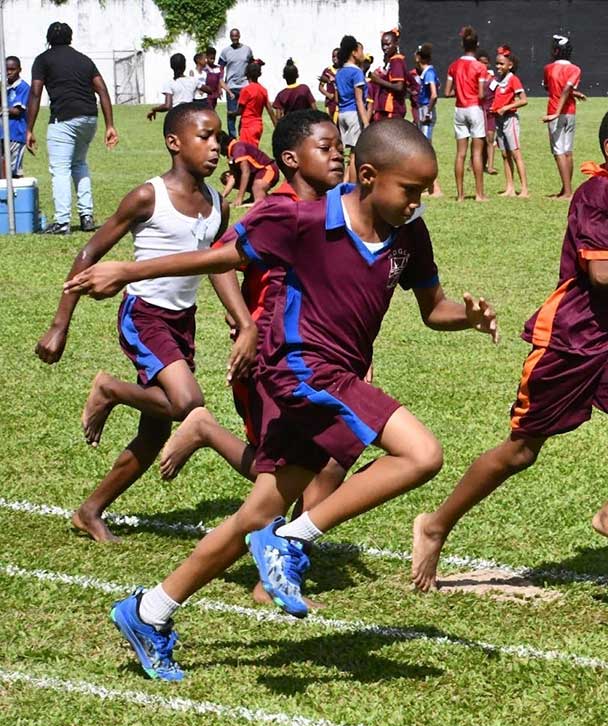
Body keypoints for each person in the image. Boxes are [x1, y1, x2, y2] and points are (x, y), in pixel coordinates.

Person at [66, 119, 499, 681]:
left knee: (258, 510)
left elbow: (432, 308)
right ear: (368, 177)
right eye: (410, 190)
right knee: (422, 455)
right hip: (299, 369)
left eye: (422, 192)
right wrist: (130, 269)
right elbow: (221, 259)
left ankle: (150, 611)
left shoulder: (408, 233)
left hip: (336, 374)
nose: (418, 202)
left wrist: (466, 318)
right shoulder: (300, 218)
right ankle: (291, 542)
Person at [411, 103, 608, 591]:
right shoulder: (596, 193)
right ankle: (435, 524)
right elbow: (601, 272)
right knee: (520, 452)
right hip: (568, 342)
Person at [34, 101, 256, 544]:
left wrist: (243, 320)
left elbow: (217, 265)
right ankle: (109, 388)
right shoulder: (147, 196)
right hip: (145, 317)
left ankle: (89, 511)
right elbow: (89, 254)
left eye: (218, 138)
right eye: (204, 137)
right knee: (185, 403)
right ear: (174, 143)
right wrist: (60, 323)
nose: (216, 147)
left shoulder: (217, 204)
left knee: (154, 431)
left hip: (182, 323)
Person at [159, 110, 349, 607]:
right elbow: (221, 259)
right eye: (326, 148)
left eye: (340, 147)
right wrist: (246, 325)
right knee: (293, 467)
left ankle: (280, 560)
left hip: (319, 350)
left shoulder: (336, 208)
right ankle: (272, 576)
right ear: (291, 159)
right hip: (271, 351)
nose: (338, 156)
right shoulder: (278, 208)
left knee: (319, 460)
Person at [25, 22, 120, 235]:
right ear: (70, 38)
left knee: (60, 168)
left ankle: (62, 221)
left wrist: (29, 128)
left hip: (64, 119)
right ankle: (86, 217)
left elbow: (35, 93)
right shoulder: (84, 60)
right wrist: (110, 125)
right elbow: (102, 90)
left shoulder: (43, 60)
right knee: (79, 164)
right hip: (89, 118)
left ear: (48, 39)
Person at [444, 26, 488, 201]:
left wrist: (460, 92)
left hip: (459, 109)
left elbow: (447, 92)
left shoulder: (454, 66)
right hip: (474, 108)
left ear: (462, 44)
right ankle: (479, 194)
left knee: (460, 154)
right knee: (476, 153)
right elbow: (481, 94)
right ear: (476, 45)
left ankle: (460, 195)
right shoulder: (480, 67)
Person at [542, 34, 585, 200]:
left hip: (555, 111)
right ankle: (566, 188)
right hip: (571, 112)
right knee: (568, 151)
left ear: (555, 51)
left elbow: (557, 89)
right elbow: (567, 89)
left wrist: (556, 112)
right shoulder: (575, 69)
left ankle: (567, 192)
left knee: (558, 151)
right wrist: (576, 93)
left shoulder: (549, 68)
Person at [489, 46, 528, 198]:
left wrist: (506, 108)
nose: (498, 66)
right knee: (505, 154)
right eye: (497, 63)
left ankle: (524, 188)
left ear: (509, 65)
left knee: (515, 153)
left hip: (509, 119)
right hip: (498, 119)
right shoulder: (497, 80)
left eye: (501, 64)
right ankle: (509, 187)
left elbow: (523, 100)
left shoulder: (513, 79)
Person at [334, 35, 369, 183]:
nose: (363, 54)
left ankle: (344, 182)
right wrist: (366, 123)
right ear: (354, 53)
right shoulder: (357, 73)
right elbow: (359, 100)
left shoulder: (339, 72)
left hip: (341, 114)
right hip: (354, 114)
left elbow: (337, 99)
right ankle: (352, 187)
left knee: (346, 154)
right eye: (361, 51)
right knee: (355, 154)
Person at [219, 130, 278, 207]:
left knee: (256, 185)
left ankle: (258, 201)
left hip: (269, 170)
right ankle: (255, 196)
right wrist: (222, 197)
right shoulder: (231, 152)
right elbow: (233, 176)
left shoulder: (238, 148)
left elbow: (246, 172)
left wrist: (239, 198)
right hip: (257, 173)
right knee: (226, 177)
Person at [413, 44, 442, 197]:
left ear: (419, 57)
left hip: (426, 110)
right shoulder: (427, 72)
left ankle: (436, 188)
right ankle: (430, 187)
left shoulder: (428, 72)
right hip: (423, 108)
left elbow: (434, 94)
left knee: (427, 150)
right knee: (425, 148)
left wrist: (427, 112)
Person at [218, 29, 254, 137]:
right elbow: (221, 69)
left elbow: (252, 65)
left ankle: (244, 135)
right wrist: (220, 85)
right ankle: (232, 139)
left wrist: (252, 82)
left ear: (239, 36)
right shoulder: (225, 51)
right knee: (231, 114)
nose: (234, 38)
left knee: (245, 113)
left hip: (245, 86)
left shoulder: (247, 50)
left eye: (236, 36)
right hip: (231, 87)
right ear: (230, 37)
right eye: (232, 36)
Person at [369, 29, 409, 122]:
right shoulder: (390, 61)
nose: (384, 47)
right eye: (383, 45)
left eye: (388, 44)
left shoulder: (397, 61)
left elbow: (399, 86)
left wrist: (378, 80)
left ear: (396, 43)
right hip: (384, 110)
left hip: (392, 109)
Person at [146, 54, 199, 122]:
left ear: (171, 66)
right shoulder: (193, 80)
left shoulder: (169, 83)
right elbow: (208, 90)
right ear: (185, 66)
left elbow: (167, 106)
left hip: (176, 116)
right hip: (191, 115)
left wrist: (154, 109)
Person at [236, 61, 273, 148]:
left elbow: (240, 111)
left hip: (247, 126)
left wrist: (231, 113)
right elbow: (270, 110)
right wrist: (277, 126)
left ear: (246, 74)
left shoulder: (246, 90)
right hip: (258, 125)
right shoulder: (263, 90)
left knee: (248, 153)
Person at [4, 56, 30, 179]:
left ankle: (17, 196)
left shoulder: (23, 87)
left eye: (12, 69)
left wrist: (2, 109)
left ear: (19, 69)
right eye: (6, 69)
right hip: (2, 134)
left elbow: (17, 111)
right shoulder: (3, 86)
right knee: (3, 168)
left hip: (16, 134)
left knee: (14, 171)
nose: (9, 72)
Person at [476, 52, 497, 175]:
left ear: (488, 63)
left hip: (490, 112)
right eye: (480, 62)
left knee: (490, 139)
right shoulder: (475, 77)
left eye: (485, 62)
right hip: (478, 111)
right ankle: (473, 163)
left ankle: (490, 166)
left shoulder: (493, 79)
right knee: (478, 139)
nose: (482, 64)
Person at [318, 48, 339, 119]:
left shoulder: (343, 70)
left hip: (339, 102)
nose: (335, 58)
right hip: (330, 102)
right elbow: (320, 87)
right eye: (333, 56)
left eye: (337, 56)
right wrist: (328, 95)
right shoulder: (327, 71)